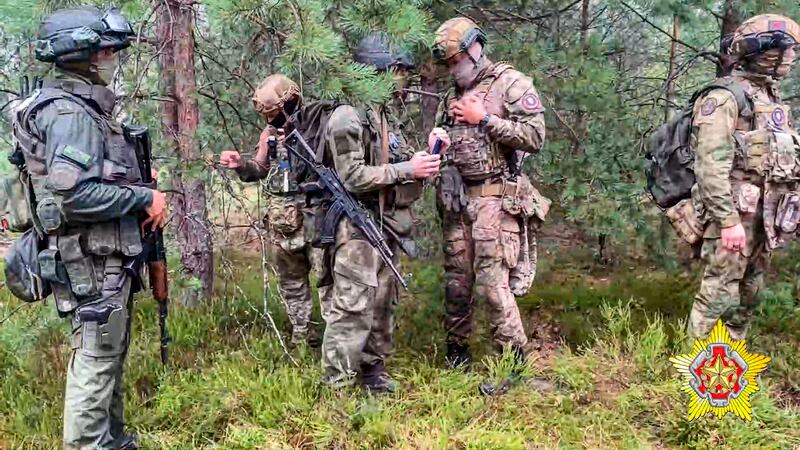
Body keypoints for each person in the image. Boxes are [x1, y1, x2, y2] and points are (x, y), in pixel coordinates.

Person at [13, 6, 168, 449]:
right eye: (104, 51)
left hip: (102, 255)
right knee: (97, 357)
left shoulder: (75, 107)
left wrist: (135, 182)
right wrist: (144, 197)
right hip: (91, 259)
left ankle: (112, 440)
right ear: (82, 55)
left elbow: (91, 178)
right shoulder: (71, 114)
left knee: (109, 353)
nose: (110, 58)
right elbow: (73, 195)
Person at [430, 17, 549, 380]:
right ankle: (457, 356)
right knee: (456, 282)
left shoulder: (510, 83)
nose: (454, 70)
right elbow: (442, 140)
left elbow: (535, 136)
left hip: (495, 200)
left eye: (457, 61)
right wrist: (442, 160)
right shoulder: (450, 95)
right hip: (459, 202)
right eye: (448, 64)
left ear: (475, 49)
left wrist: (484, 120)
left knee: (494, 285)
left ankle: (512, 362)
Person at [320, 33, 440, 392]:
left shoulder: (384, 116)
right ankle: (337, 386)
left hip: (385, 222)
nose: (404, 81)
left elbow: (395, 163)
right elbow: (353, 176)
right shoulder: (347, 117)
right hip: (356, 226)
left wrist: (427, 158)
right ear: (378, 71)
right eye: (399, 72)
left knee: (384, 302)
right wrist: (408, 171)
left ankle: (373, 372)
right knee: (352, 307)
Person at [687, 14, 800, 340]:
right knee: (718, 294)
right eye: (787, 51)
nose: (792, 59)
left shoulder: (770, 98)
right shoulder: (724, 98)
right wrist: (727, 220)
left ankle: (727, 370)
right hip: (736, 216)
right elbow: (710, 166)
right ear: (766, 52)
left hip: (764, 218)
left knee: (749, 294)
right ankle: (698, 378)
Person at [219, 74, 331, 346]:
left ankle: (336, 337)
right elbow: (259, 168)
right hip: (284, 222)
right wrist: (240, 165)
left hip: (317, 219)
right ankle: (302, 333)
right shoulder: (269, 134)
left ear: (293, 100)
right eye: (269, 117)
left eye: (276, 114)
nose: (273, 121)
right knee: (292, 281)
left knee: (328, 280)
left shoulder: (317, 126)